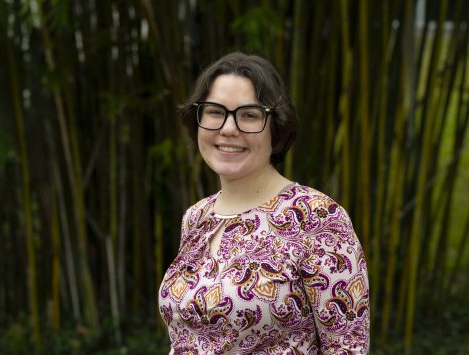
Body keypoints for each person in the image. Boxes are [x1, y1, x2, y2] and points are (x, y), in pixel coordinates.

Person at [158, 52, 370, 354]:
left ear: (277, 127)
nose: (229, 129)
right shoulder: (196, 217)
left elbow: (347, 347)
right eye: (215, 112)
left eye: (249, 115)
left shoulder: (317, 218)